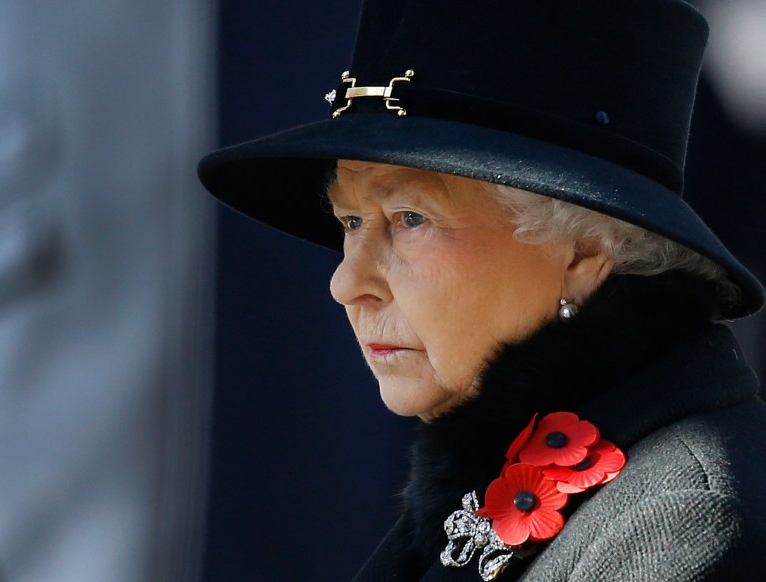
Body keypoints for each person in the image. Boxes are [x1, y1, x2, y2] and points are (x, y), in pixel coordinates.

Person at [198, 0, 766, 579]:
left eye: (410, 218)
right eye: (350, 222)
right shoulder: (496, 471)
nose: (347, 284)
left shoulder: (682, 523)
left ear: (585, 250)